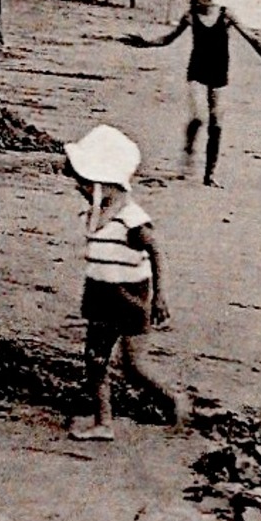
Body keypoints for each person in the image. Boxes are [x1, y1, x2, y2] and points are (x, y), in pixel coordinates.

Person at [61, 125, 186, 441]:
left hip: (130, 298)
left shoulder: (131, 218)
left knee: (133, 366)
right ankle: (104, 422)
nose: (80, 187)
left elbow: (156, 250)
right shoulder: (96, 214)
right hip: (101, 296)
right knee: (95, 361)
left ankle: (174, 402)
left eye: (85, 182)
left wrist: (160, 297)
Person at [121, 0, 261, 187]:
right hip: (197, 71)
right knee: (199, 117)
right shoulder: (190, 15)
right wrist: (145, 43)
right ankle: (189, 149)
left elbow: (254, 40)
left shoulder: (226, 14)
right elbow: (168, 39)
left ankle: (209, 175)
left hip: (219, 73)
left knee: (216, 124)